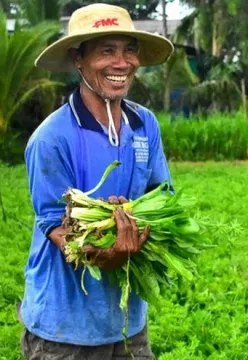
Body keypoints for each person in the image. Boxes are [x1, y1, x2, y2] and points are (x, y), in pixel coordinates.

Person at [19, 3, 174, 359]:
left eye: (129, 49)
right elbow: (54, 225)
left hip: (127, 323)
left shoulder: (143, 124)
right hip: (64, 329)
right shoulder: (52, 138)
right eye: (107, 50)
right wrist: (102, 248)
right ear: (78, 59)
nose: (122, 63)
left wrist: (141, 219)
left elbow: (163, 194)